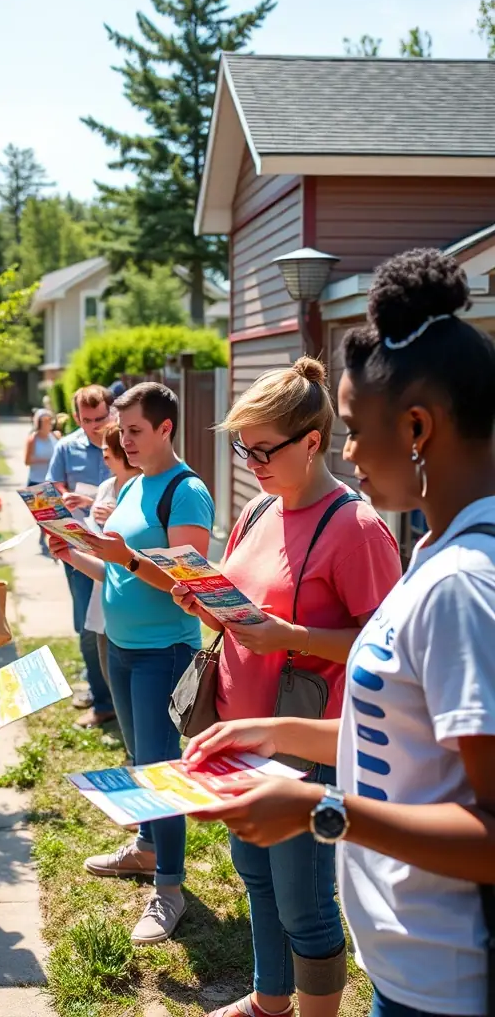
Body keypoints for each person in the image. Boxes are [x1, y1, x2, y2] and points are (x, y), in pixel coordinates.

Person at [183, 248, 495, 1017]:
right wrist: (267, 731)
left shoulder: (461, 585)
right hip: (408, 963)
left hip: (447, 981)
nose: (348, 453)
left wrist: (321, 810)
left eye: (354, 431)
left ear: (418, 427)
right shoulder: (435, 553)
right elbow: (398, 729)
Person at [170, 357, 401, 1017]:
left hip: (307, 747)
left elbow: (387, 650)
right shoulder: (258, 507)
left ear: (313, 440)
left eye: (264, 449)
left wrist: (291, 637)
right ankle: (270, 1001)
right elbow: (249, 606)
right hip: (241, 733)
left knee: (304, 900)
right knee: (256, 879)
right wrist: (208, 604)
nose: (253, 461)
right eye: (244, 448)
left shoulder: (355, 527)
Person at [50, 382, 215, 944]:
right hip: (120, 647)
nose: (125, 440)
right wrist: (75, 552)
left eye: (135, 431)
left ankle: (169, 889)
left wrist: (126, 556)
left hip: (164, 652)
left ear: (166, 428)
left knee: (160, 771)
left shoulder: (185, 491)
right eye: (121, 432)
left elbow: (186, 584)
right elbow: (118, 572)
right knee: (139, 758)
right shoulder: (134, 485)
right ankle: (147, 849)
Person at [46, 384, 115, 722]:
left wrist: (94, 502)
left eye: (101, 417)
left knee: (113, 624)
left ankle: (108, 694)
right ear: (77, 418)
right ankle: (102, 698)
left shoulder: (123, 442)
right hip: (79, 546)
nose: (96, 426)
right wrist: (66, 496)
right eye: (88, 420)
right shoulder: (66, 446)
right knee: (86, 627)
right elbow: (53, 485)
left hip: (117, 546)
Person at [80, 422, 141, 721]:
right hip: (102, 587)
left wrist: (113, 519)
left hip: (131, 591)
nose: (103, 457)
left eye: (107, 452)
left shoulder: (144, 489)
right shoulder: (106, 487)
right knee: (104, 657)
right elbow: (94, 533)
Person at [25, 408, 60, 553]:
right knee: (42, 515)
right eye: (44, 422)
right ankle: (43, 534)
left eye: (49, 421)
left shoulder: (56, 436)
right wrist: (47, 460)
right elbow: (27, 460)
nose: (48, 424)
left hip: (51, 482)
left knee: (52, 515)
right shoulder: (33, 438)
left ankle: (47, 537)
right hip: (36, 481)